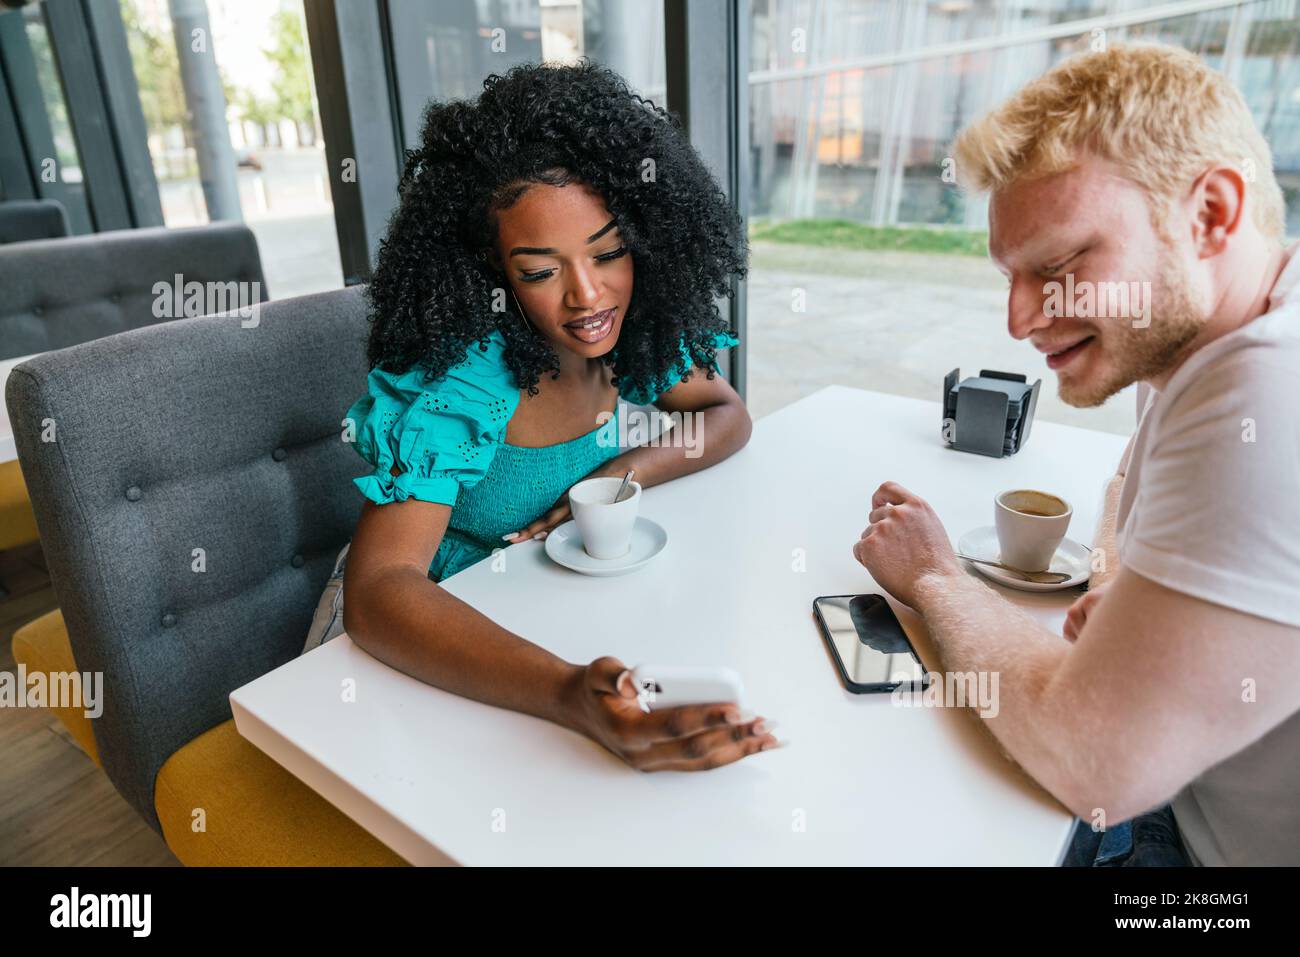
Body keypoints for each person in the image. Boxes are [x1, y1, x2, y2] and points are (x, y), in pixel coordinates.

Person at [852, 43, 1300, 865]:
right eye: (1011, 274)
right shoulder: (1190, 332)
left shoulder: (1271, 388)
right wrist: (1121, 578)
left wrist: (933, 577)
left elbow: (1094, 763)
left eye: (1059, 265)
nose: (1020, 320)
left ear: (1210, 215)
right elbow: (1131, 470)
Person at [306, 61, 778, 771]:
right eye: (540, 271)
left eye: (609, 252)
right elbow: (379, 592)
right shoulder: (465, 380)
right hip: (422, 634)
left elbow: (724, 413)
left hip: (536, 607)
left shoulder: (631, 331)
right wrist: (566, 693)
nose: (588, 296)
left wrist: (624, 472)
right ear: (492, 272)